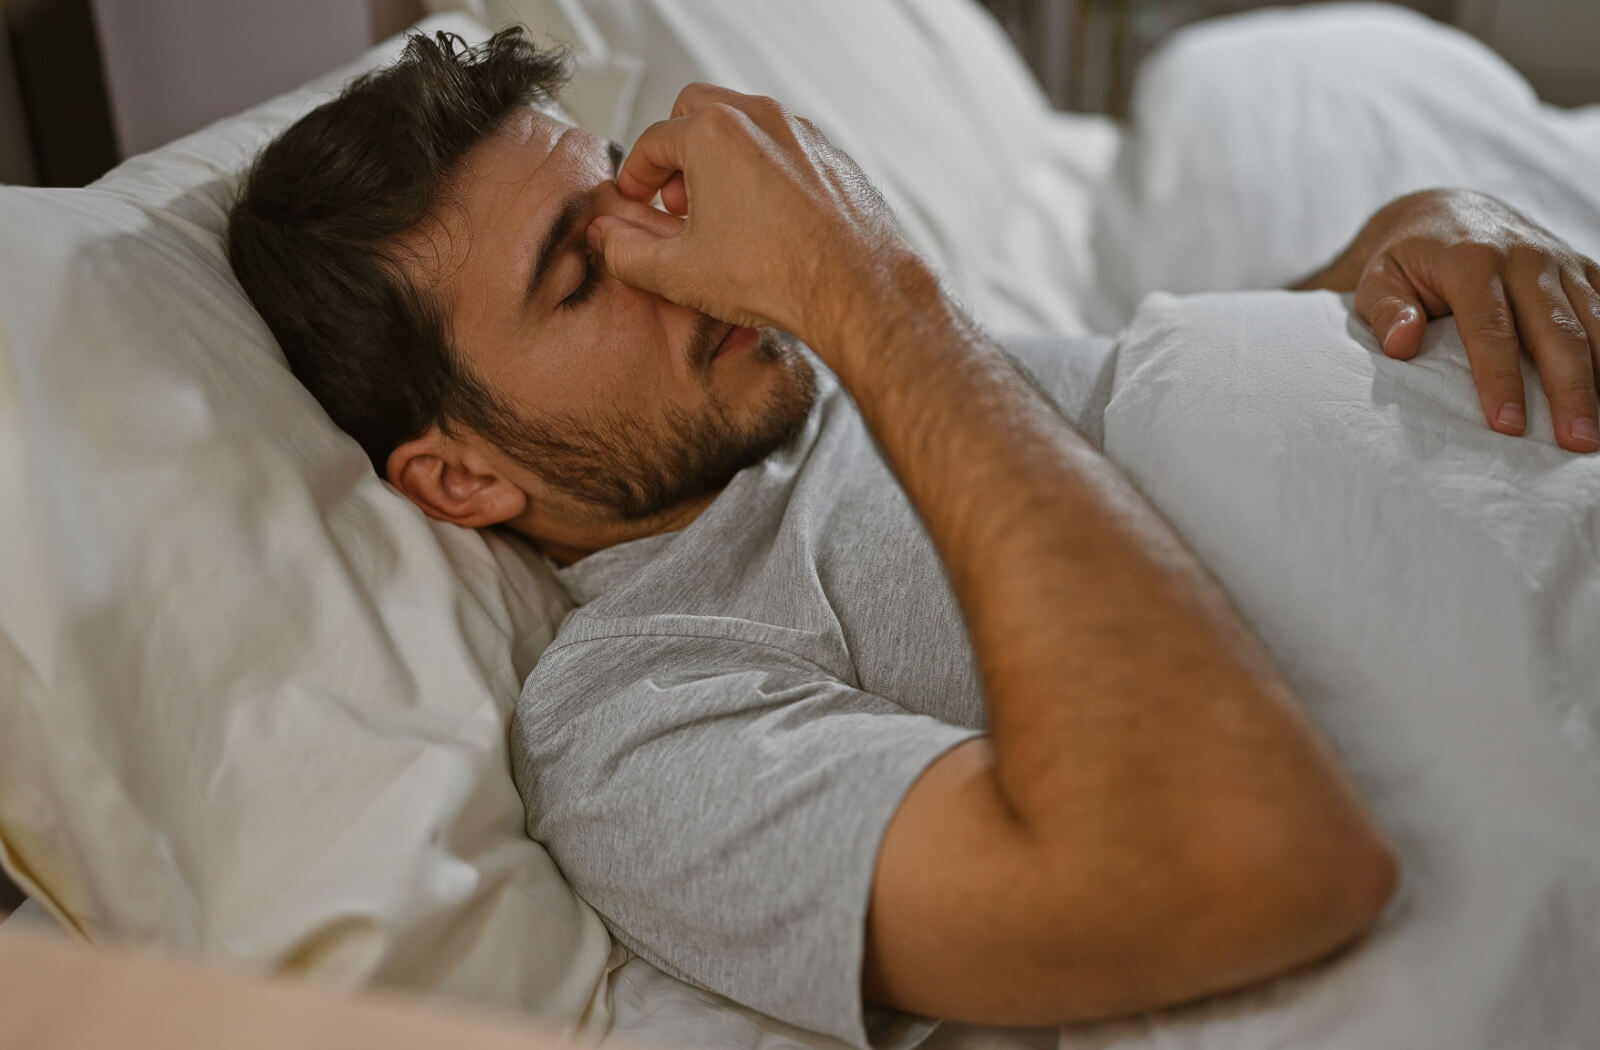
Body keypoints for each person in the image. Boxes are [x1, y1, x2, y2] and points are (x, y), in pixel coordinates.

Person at [227, 28, 1600, 1048]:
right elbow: (1238, 862)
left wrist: (1398, 245)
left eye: (628, 202)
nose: (677, 255)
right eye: (583, 278)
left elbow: (1144, 428)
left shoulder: (865, 382)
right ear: (459, 476)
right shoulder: (635, 715)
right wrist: (868, 287)